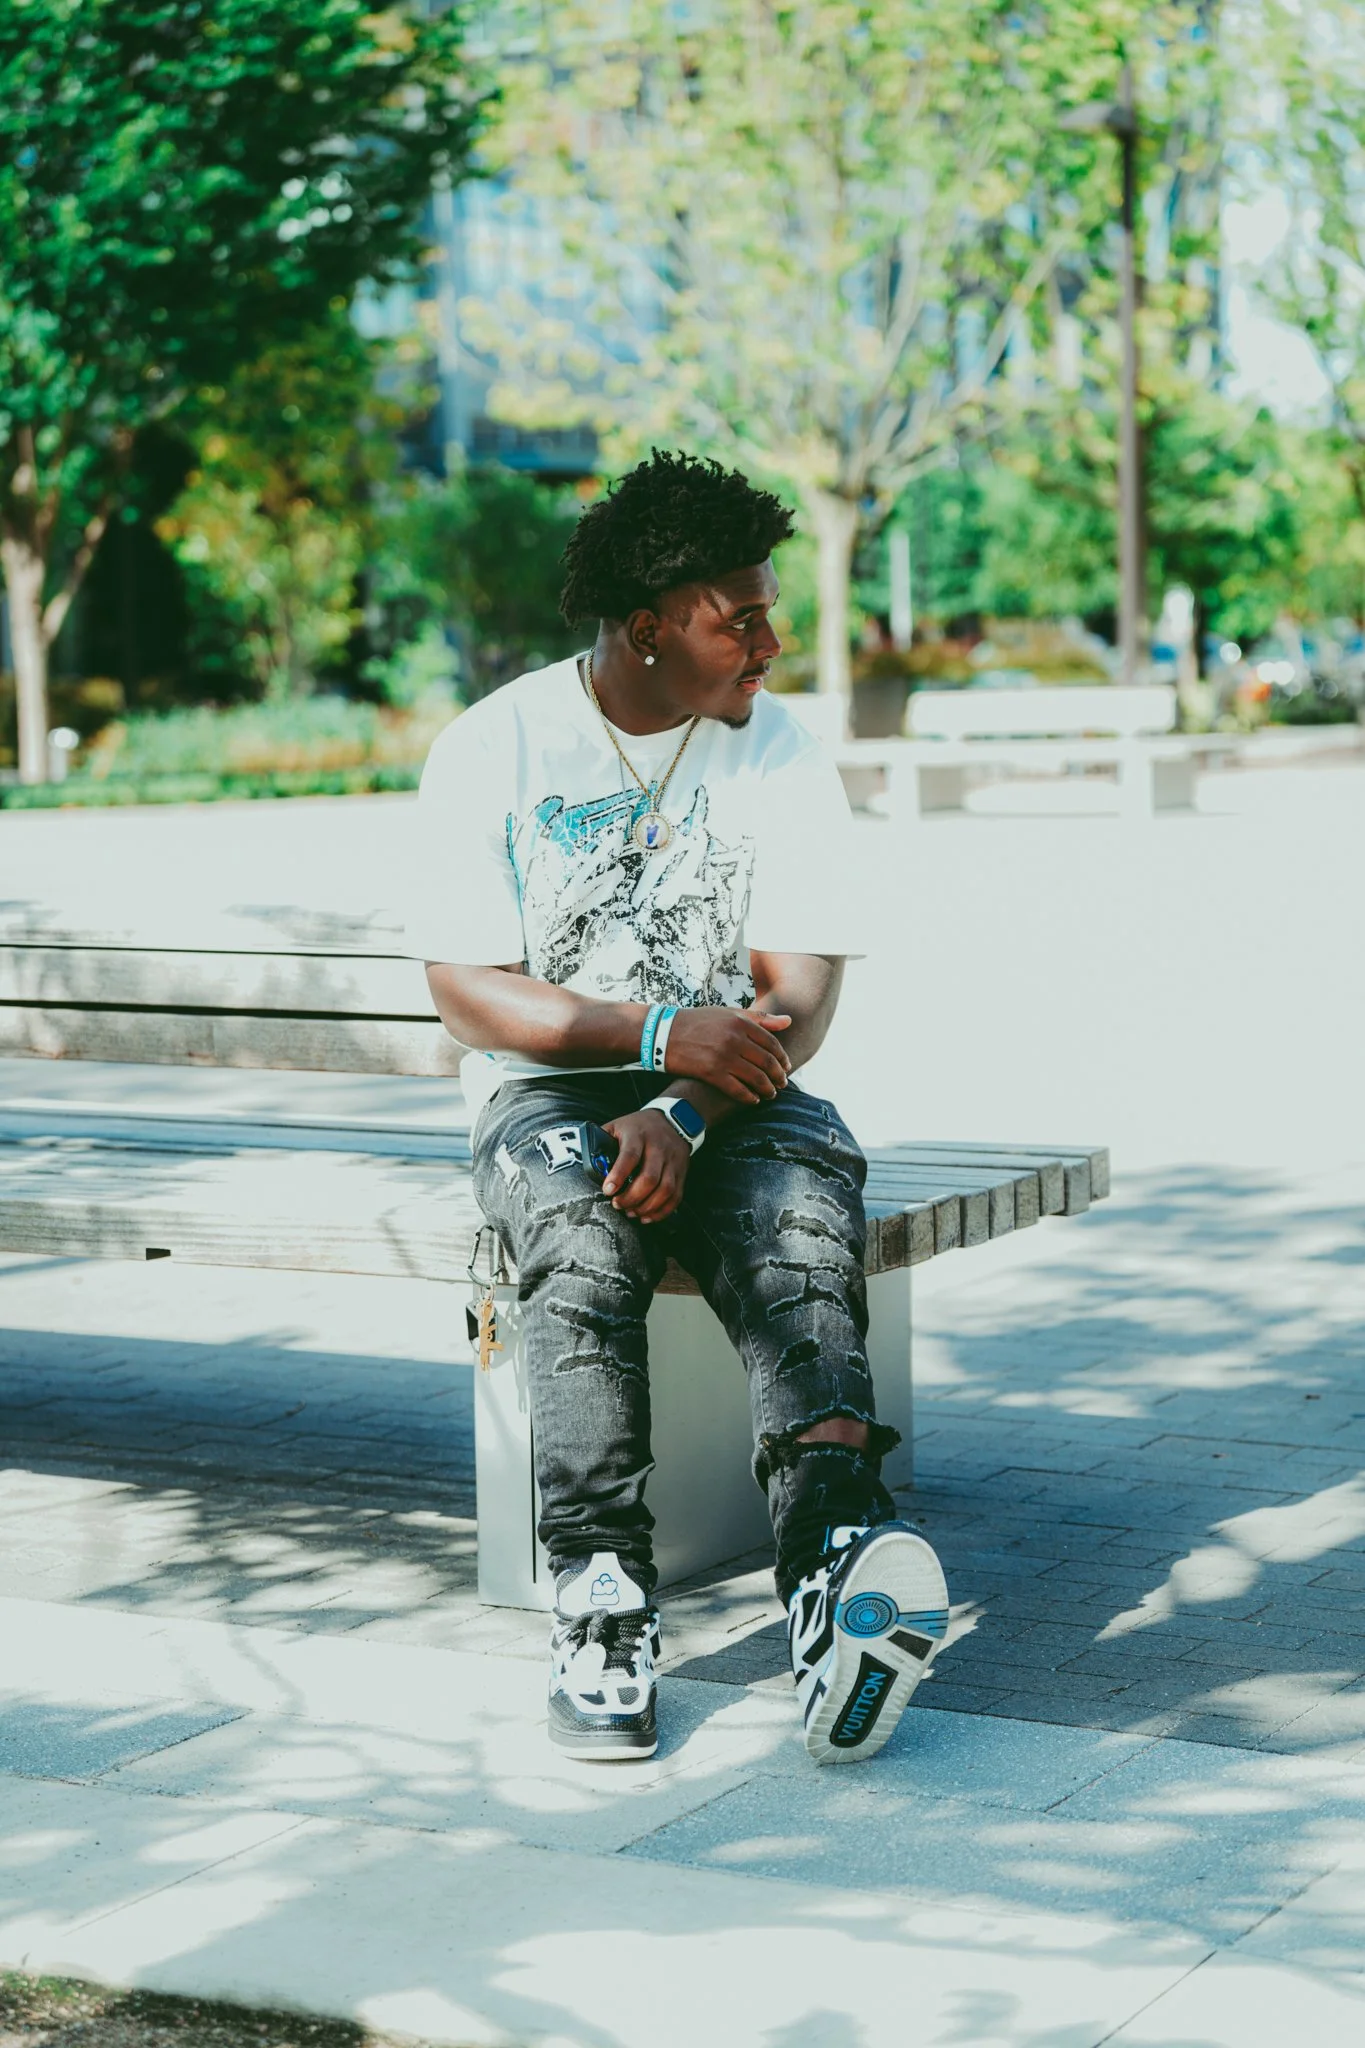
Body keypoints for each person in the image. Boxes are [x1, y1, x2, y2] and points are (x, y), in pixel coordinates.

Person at [405, 450, 949, 1764]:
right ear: (649, 626)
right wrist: (651, 1035)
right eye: (738, 616)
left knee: (802, 1235)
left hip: (738, 1090)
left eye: (768, 610)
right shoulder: (496, 746)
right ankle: (601, 1597)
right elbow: (470, 994)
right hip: (552, 1087)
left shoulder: (778, 749)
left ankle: (831, 1572)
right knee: (578, 1241)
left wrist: (685, 1103)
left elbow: (799, 992)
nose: (772, 639)